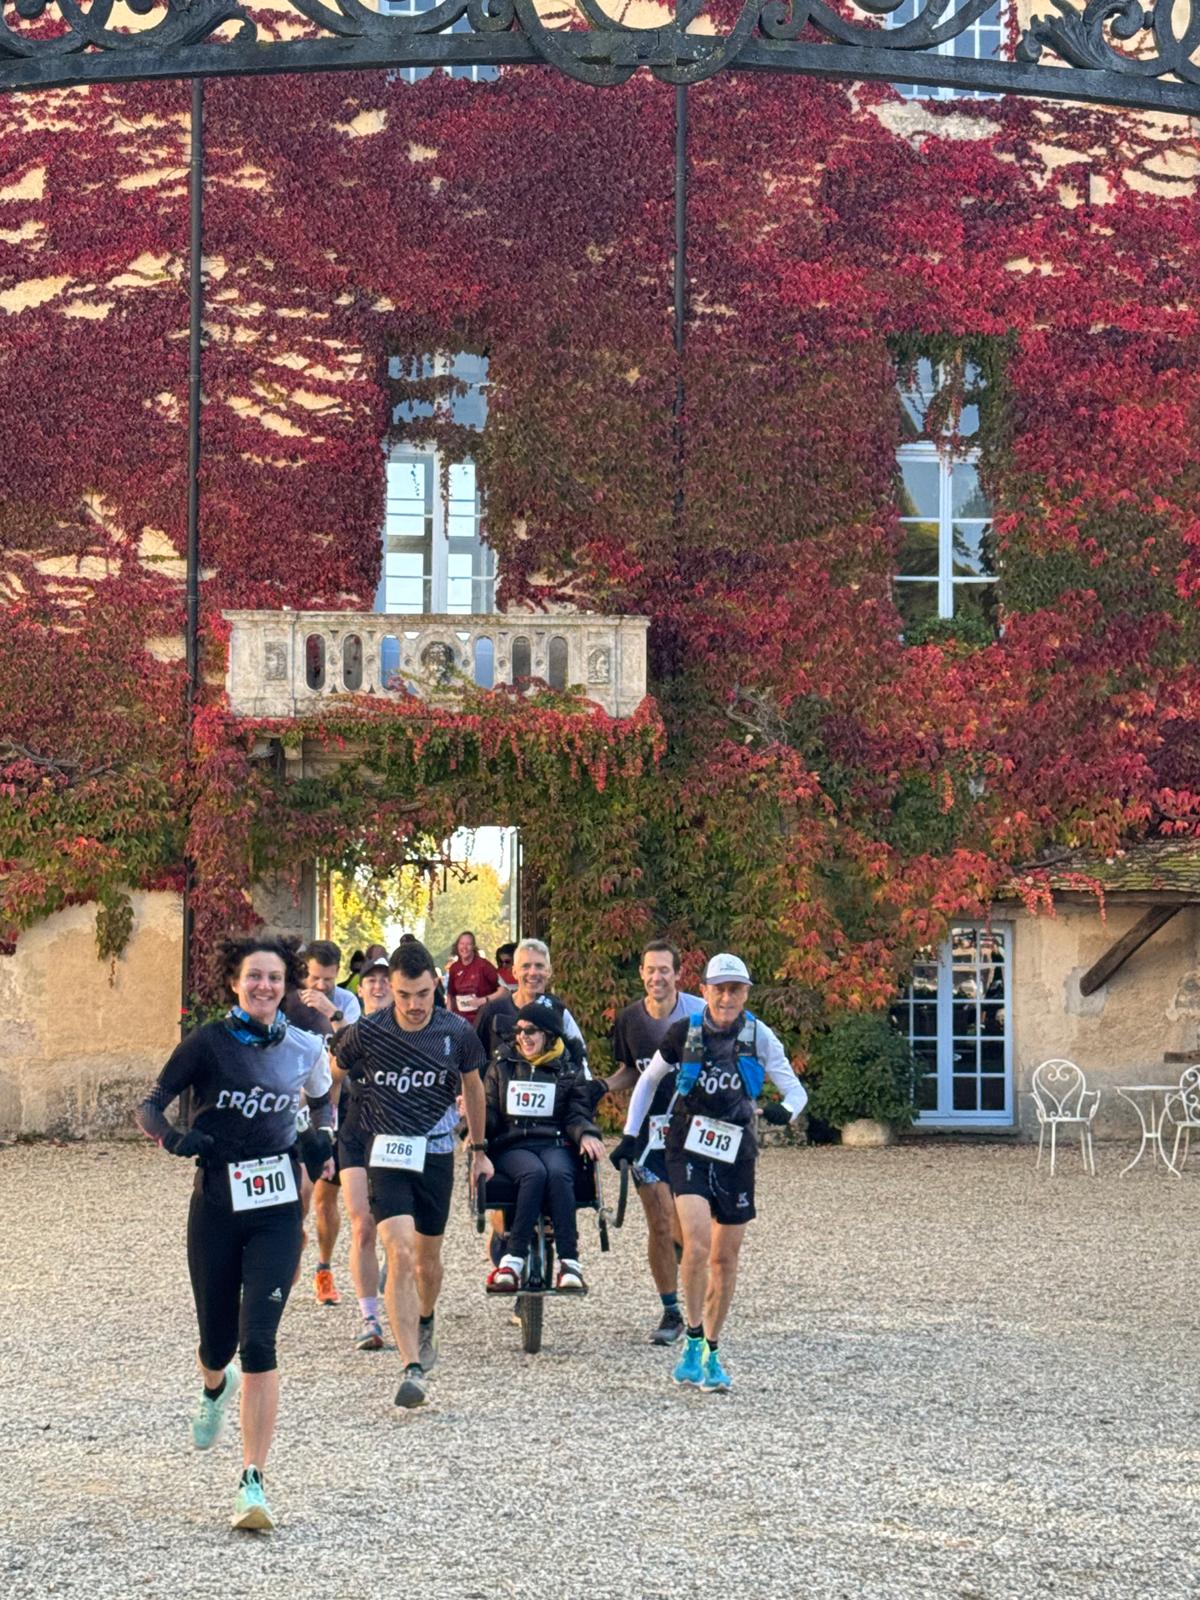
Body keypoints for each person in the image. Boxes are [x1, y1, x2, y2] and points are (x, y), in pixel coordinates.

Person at [134, 936, 336, 1531]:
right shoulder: (206, 1044)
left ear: (286, 984)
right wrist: (172, 1138)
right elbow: (149, 1108)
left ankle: (252, 1482)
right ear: (234, 982)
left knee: (260, 1342)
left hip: (277, 1207)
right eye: (254, 977)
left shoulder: (303, 1046)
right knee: (217, 1342)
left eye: (274, 978)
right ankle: (213, 1386)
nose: (264, 987)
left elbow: (323, 1102)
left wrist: (319, 1139)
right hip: (218, 1203)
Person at [610, 953, 807, 1395]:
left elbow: (796, 1090)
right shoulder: (685, 1032)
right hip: (687, 1145)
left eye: (735, 988)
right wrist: (629, 1134)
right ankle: (693, 1337)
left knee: (725, 1258)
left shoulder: (759, 1035)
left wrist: (782, 1110)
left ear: (746, 993)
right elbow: (646, 1081)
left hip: (737, 1152)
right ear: (704, 991)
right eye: (718, 987)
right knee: (696, 1244)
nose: (726, 996)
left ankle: (712, 1351)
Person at [334, 939, 492, 1410]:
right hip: (386, 1152)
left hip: (436, 1151)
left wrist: (479, 1149)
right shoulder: (369, 1030)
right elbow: (332, 1073)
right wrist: (318, 1121)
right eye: (404, 995)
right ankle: (411, 1368)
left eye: (422, 994)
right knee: (398, 1252)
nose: (413, 1005)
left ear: (435, 987)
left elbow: (475, 1088)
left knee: (427, 1260)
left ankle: (425, 1317)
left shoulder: (455, 1032)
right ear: (390, 990)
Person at [606, 941, 702, 1345]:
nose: (657, 977)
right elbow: (632, 1072)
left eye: (665, 970)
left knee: (687, 1228)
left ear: (678, 974)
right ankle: (671, 1311)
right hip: (648, 1135)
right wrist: (600, 1088)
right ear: (641, 974)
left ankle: (696, 1292)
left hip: (693, 1133)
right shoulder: (630, 1019)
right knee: (660, 1223)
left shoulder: (700, 1013)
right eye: (650, 970)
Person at [484, 1004, 605, 1293]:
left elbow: (577, 1112)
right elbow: (488, 1109)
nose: (523, 1037)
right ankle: (512, 1260)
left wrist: (586, 1134)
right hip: (513, 1144)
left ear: (548, 1034)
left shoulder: (569, 1069)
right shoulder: (502, 1066)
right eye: (519, 1030)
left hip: (554, 1141)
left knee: (560, 1172)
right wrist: (473, 1128)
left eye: (531, 1031)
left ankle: (569, 1262)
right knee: (534, 1173)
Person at [327, 952, 393, 1351]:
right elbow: (329, 1083)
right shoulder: (348, 1035)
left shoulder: (412, 1032)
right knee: (362, 1224)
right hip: (353, 1132)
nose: (378, 985)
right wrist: (325, 1132)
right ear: (361, 987)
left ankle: (400, 1281)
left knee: (398, 1227)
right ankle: (369, 1317)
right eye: (371, 980)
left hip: (395, 1136)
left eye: (385, 979)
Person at [298, 939, 361, 1306]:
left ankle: (323, 1269)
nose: (320, 985)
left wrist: (330, 1009)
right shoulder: (291, 1000)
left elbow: (358, 1043)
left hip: (339, 1107)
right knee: (302, 1197)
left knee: (325, 1199)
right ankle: (292, 1236)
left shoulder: (346, 1001)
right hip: (300, 1109)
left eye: (327, 978)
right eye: (314, 978)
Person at [474, 938, 588, 1071]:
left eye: (539, 966)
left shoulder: (559, 1012)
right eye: (525, 966)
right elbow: (471, 1059)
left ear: (549, 971)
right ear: (514, 972)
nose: (533, 972)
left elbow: (581, 1062)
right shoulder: (492, 1011)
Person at [445, 930, 504, 1020]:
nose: (465, 947)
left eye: (468, 944)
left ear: (473, 947)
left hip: (482, 1018)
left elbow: (504, 991)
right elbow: (450, 996)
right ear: (457, 946)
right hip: (460, 1020)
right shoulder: (454, 968)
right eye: (462, 944)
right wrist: (448, 1018)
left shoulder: (484, 965)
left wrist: (483, 1000)